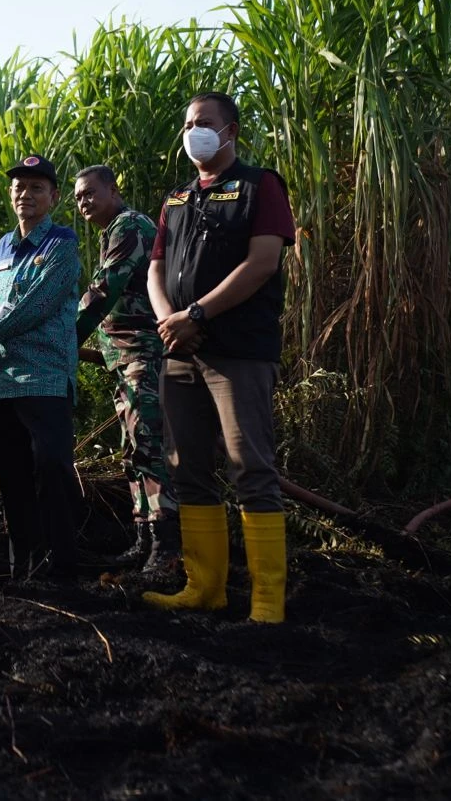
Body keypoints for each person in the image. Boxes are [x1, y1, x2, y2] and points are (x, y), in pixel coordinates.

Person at [141, 92, 295, 623]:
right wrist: (169, 320)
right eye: (187, 124)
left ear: (230, 131)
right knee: (188, 470)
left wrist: (197, 316)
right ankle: (205, 587)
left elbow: (261, 264)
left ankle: (268, 600)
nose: (193, 132)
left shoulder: (260, 186)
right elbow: (155, 269)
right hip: (179, 351)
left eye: (203, 123)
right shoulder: (177, 199)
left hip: (237, 353)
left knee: (250, 467)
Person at [0, 153, 83, 581]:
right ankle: (25, 571)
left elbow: (29, 308)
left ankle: (64, 567)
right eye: (19, 186)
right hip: (3, 384)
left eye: (37, 187)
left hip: (46, 380)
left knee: (52, 469)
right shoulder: (4, 246)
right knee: (13, 479)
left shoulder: (62, 244)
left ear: (53, 196)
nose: (26, 194)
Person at [72, 164, 179, 574]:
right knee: (134, 450)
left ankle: (167, 549)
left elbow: (105, 288)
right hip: (124, 359)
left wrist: (67, 336)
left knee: (150, 447)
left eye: (90, 193)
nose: (83, 201)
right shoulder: (112, 230)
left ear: (114, 190)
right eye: (78, 196)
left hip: (144, 355)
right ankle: (145, 539)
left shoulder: (130, 225)